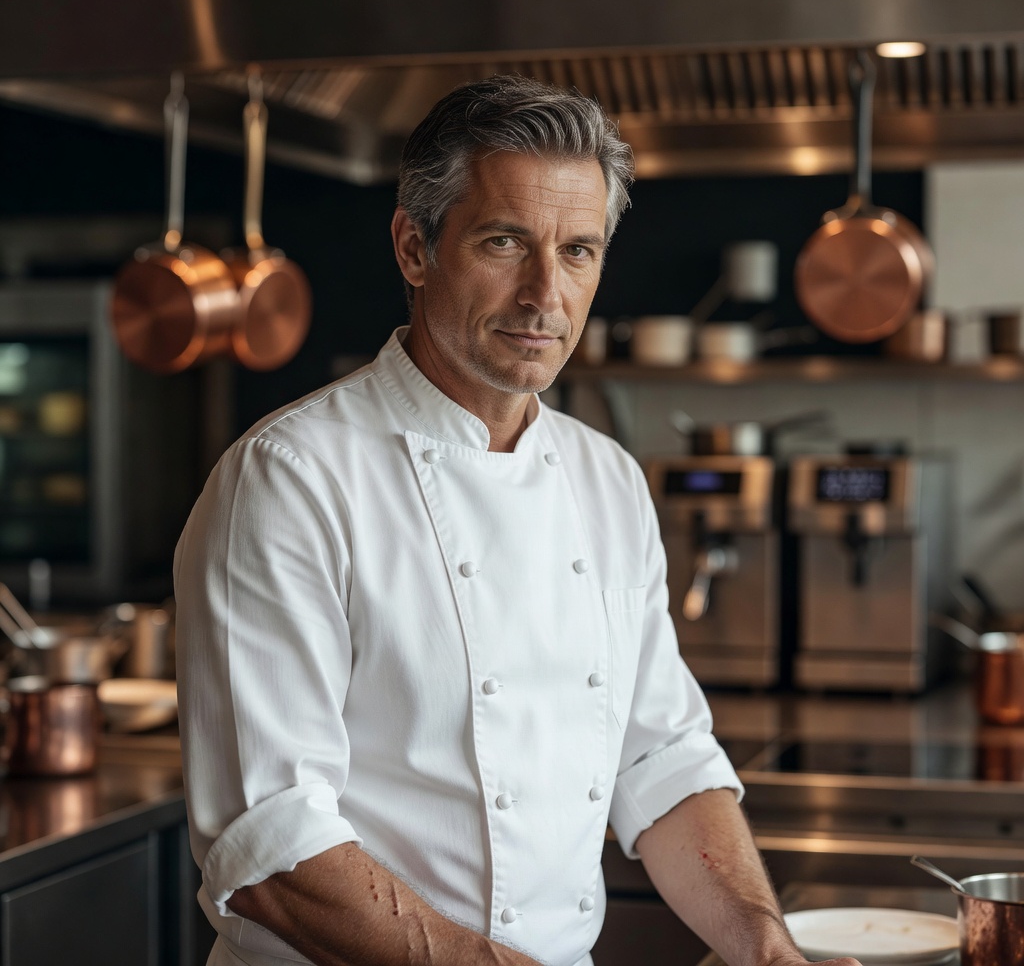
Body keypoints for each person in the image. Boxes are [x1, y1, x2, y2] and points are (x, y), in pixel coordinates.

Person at [175, 75, 861, 966]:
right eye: (505, 242)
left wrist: (767, 951)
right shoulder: (292, 479)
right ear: (413, 248)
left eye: (578, 251)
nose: (546, 294)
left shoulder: (605, 478)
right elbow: (273, 846)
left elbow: (663, 762)